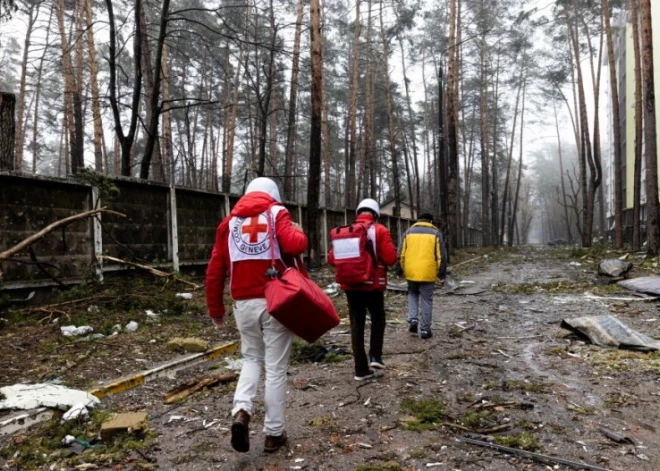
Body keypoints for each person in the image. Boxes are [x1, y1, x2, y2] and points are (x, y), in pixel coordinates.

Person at [205, 177, 308, 454]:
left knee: (251, 358)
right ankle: (273, 434)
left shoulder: (228, 223)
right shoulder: (277, 213)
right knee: (274, 368)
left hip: (243, 304)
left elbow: (215, 271)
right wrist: (297, 230)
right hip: (275, 301)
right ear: (273, 195)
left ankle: (241, 411)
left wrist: (216, 310)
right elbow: (296, 245)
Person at [328, 198, 397, 381]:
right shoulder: (380, 230)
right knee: (378, 318)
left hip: (351, 285)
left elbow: (332, 259)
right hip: (373, 284)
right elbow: (390, 258)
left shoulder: (346, 231)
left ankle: (360, 369)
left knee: (356, 324)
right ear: (375, 214)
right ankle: (375, 356)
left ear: (358, 212)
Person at [399, 212, 447, 339]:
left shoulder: (408, 232)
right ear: (431, 221)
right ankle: (425, 330)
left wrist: (399, 269)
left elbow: (401, 252)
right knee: (427, 299)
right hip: (428, 271)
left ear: (418, 220)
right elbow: (441, 255)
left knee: (412, 294)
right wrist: (441, 274)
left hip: (411, 270)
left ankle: (413, 319)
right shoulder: (436, 233)